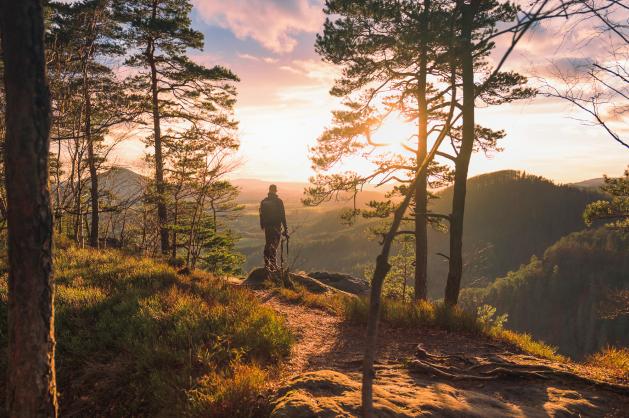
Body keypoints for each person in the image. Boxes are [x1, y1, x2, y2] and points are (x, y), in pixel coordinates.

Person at [259, 184, 288, 271]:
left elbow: (261, 214)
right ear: (276, 191)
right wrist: (286, 228)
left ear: (269, 190)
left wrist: (262, 225)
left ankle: (267, 264)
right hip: (276, 226)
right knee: (274, 245)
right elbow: (282, 215)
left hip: (267, 227)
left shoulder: (264, 201)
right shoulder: (279, 201)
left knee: (268, 244)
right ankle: (273, 265)